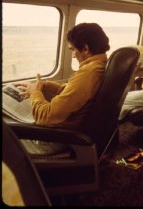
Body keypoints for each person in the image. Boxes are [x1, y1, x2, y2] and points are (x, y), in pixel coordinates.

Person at [15, 23, 109, 155]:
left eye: (73, 50)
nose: (73, 56)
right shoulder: (100, 65)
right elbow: (71, 92)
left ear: (86, 49)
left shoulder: (89, 72)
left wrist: (35, 93)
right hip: (66, 130)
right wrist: (44, 85)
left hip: (56, 138)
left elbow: (46, 117)